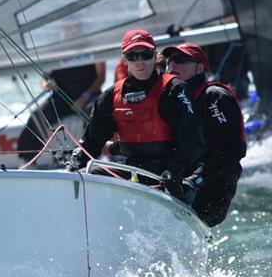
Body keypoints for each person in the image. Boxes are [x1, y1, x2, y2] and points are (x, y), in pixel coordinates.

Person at [67, 29, 203, 199]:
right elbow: (92, 142)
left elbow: (192, 138)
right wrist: (76, 162)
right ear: (124, 60)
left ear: (154, 56)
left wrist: (175, 170)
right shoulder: (110, 97)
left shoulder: (176, 90)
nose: (140, 62)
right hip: (131, 170)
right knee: (82, 174)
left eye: (145, 55)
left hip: (167, 174)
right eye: (132, 56)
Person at [163, 42, 246, 226]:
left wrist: (197, 179)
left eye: (180, 60)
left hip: (213, 186)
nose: (172, 66)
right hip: (180, 179)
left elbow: (230, 151)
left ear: (200, 68)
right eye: (168, 61)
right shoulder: (172, 99)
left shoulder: (214, 97)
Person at [17, 62, 106, 163]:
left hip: (88, 94)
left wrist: (85, 97)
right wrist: (47, 84)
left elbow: (101, 77)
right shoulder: (53, 51)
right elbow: (44, 79)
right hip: (61, 97)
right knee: (37, 116)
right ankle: (28, 160)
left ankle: (96, 157)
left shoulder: (89, 46)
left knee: (97, 113)